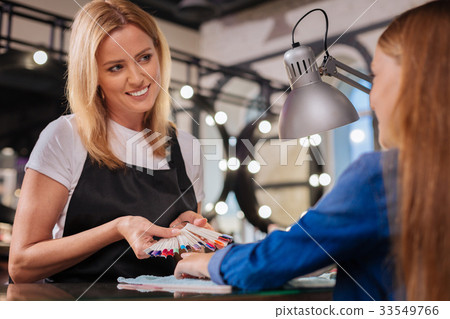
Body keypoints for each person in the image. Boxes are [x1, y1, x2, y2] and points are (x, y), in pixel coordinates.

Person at [174, 0, 450, 301]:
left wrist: (206, 262)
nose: (372, 97)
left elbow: (267, 264)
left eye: (377, 75)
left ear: (416, 81)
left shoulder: (380, 175)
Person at [9, 0, 209, 283]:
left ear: (159, 55)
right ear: (93, 76)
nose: (137, 78)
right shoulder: (64, 137)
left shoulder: (188, 147)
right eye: (116, 67)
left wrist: (190, 237)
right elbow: (21, 265)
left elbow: (183, 261)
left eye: (144, 57)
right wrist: (116, 229)